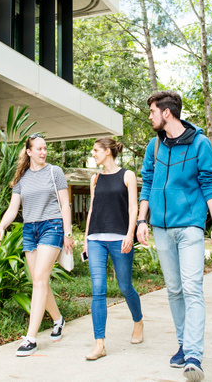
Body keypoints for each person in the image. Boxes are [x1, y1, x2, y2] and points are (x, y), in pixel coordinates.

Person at [136, 91, 212, 382]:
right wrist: (141, 220)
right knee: (174, 289)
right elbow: (147, 183)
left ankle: (194, 356)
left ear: (166, 113)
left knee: (192, 288)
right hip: (160, 227)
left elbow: (208, 185)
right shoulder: (154, 146)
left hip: (189, 226)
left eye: (152, 111)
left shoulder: (200, 143)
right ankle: (183, 344)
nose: (149, 116)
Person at [0, 133, 74, 357]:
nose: (43, 152)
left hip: (52, 226)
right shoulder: (22, 178)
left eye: (45, 148)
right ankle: (58, 320)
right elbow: (12, 208)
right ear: (29, 152)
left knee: (39, 279)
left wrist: (68, 232)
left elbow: (65, 205)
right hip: (30, 230)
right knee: (40, 281)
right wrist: (1, 227)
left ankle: (31, 338)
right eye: (39, 149)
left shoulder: (54, 171)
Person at [82, 137, 144, 361]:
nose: (94, 154)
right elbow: (92, 210)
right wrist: (86, 238)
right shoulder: (95, 178)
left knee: (125, 286)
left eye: (96, 150)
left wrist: (130, 234)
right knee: (98, 289)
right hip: (96, 238)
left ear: (108, 152)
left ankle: (138, 322)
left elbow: (133, 208)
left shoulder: (127, 175)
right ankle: (100, 344)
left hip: (120, 238)